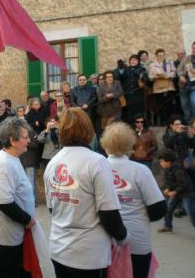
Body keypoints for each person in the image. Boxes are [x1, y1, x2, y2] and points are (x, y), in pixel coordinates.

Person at [44, 107, 128, 278]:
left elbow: (52, 208)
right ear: (88, 130)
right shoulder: (97, 162)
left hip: (58, 249)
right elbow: (109, 213)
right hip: (88, 255)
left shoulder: (53, 163)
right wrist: (123, 237)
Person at [100, 122, 166, 278]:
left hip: (105, 239)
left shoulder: (98, 168)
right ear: (131, 144)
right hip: (138, 238)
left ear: (105, 144)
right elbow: (158, 209)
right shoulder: (140, 170)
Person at [0, 117, 36, 278]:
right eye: (25, 137)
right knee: (7, 272)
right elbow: (4, 203)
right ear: (13, 141)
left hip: (13, 231)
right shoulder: (4, 164)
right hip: (5, 233)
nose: (28, 140)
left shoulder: (12, 158)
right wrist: (28, 220)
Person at [158, 149, 195, 233]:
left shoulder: (178, 170)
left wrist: (174, 192)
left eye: (162, 161)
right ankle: (168, 226)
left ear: (169, 162)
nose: (160, 163)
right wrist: (169, 189)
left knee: (191, 212)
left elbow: (184, 184)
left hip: (187, 193)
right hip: (177, 192)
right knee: (168, 208)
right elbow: (172, 182)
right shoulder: (168, 169)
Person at [148, 48, 176, 125]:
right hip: (158, 89)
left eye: (162, 55)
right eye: (159, 55)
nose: (161, 57)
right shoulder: (152, 65)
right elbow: (150, 77)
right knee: (160, 106)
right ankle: (162, 122)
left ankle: (170, 122)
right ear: (156, 56)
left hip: (169, 87)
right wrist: (156, 76)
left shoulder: (169, 63)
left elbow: (174, 72)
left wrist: (167, 75)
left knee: (169, 105)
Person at [118, 54, 147, 124]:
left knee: (138, 111)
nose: (133, 61)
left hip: (138, 95)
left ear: (138, 61)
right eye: (131, 60)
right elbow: (121, 78)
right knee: (128, 111)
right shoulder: (126, 69)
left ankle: (140, 126)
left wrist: (140, 74)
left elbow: (145, 79)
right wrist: (121, 68)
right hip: (128, 95)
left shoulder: (142, 68)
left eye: (135, 60)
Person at [177, 41, 195, 123]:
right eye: (193, 48)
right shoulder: (187, 58)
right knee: (185, 106)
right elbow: (179, 68)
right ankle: (188, 123)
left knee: (193, 102)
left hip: (194, 87)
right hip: (183, 86)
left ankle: (194, 122)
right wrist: (181, 75)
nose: (194, 50)